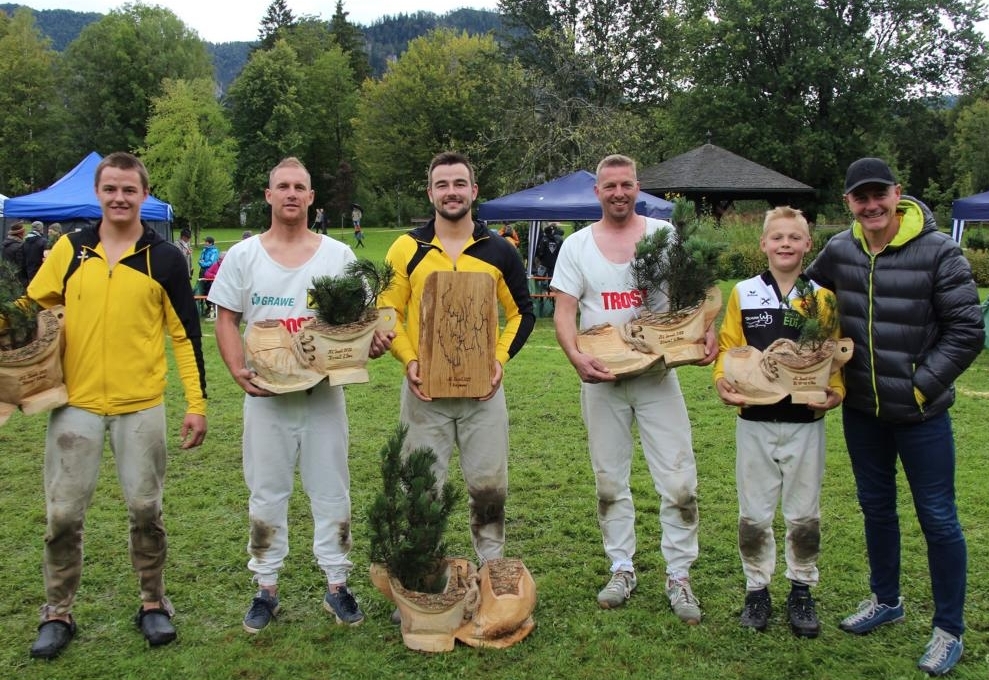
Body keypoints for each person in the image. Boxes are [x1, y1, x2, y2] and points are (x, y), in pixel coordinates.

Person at [22, 152, 208, 659]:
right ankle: (57, 612)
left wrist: (196, 403)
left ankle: (152, 603)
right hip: (74, 404)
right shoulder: (70, 250)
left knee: (146, 511)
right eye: (111, 190)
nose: (120, 198)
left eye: (130, 190)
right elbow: (34, 305)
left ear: (144, 196)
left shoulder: (165, 258)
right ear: (98, 195)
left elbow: (186, 336)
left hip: (141, 405)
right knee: (62, 515)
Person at [805, 157, 984, 675]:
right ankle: (887, 600)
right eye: (860, 198)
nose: (871, 205)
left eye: (879, 194)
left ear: (897, 193)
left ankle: (949, 628)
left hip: (923, 416)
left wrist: (921, 385)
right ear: (849, 204)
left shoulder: (939, 250)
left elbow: (967, 331)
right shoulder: (840, 249)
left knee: (938, 518)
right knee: (877, 510)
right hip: (863, 412)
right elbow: (804, 299)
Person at [209, 157, 393, 635]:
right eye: (282, 187)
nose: (291, 194)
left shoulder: (337, 256)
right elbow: (225, 318)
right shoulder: (245, 255)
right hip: (266, 398)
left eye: (300, 188)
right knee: (267, 492)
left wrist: (370, 344)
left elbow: (361, 322)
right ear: (268, 196)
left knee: (332, 490)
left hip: (322, 395)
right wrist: (235, 369)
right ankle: (265, 589)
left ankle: (337, 586)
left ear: (312, 199)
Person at [550, 154, 715, 623]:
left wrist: (705, 331)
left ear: (637, 187)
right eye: (610, 186)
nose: (618, 193)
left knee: (679, 480)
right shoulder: (577, 246)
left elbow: (697, 295)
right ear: (597, 191)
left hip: (658, 377)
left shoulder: (663, 237)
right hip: (602, 379)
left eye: (626, 185)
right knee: (609, 480)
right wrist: (575, 357)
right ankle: (621, 567)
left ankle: (679, 575)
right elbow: (564, 313)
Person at [377, 151, 534, 570]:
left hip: (483, 393)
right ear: (430, 192)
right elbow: (388, 311)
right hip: (424, 393)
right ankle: (421, 574)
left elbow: (522, 312)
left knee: (488, 487)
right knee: (421, 488)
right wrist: (408, 360)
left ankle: (491, 571)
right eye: (442, 184)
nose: (451, 192)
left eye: (459, 184)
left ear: (474, 191)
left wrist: (498, 360)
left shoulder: (499, 249)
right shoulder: (407, 247)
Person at [713, 206, 844, 638]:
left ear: (809, 244)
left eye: (794, 237)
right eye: (777, 237)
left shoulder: (822, 297)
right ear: (763, 245)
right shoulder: (744, 293)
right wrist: (721, 381)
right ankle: (757, 589)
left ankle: (802, 588)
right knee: (754, 513)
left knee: (804, 513)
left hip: (806, 422)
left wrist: (836, 392)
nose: (785, 244)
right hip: (755, 420)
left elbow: (830, 356)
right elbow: (730, 349)